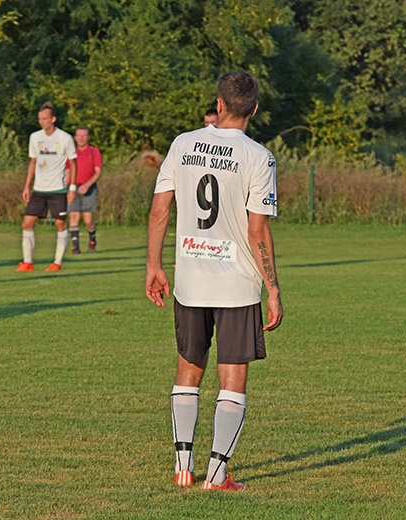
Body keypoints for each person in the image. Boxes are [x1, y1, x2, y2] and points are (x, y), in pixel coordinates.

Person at [146, 72, 283, 491]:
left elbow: (159, 209)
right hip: (237, 283)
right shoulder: (259, 156)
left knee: (188, 369)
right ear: (254, 109)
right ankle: (217, 476)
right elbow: (257, 230)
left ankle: (183, 468)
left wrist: (153, 266)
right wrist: (273, 288)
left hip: (190, 279)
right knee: (232, 378)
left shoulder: (183, 143)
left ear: (219, 105)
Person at [16, 101, 76, 272]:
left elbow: (73, 164)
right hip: (39, 190)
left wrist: (72, 189)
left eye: (44, 119)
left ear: (53, 119)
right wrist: (27, 186)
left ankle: (57, 262)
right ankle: (27, 262)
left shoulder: (65, 138)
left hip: (58, 190)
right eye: (39, 119)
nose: (41, 122)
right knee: (27, 223)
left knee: (60, 225)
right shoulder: (35, 137)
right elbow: (32, 162)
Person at [67, 126, 102, 254]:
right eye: (79, 136)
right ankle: (75, 247)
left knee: (88, 220)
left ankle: (92, 241)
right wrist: (66, 188)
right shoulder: (71, 152)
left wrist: (87, 185)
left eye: (84, 136)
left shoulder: (94, 152)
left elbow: (98, 172)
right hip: (73, 188)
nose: (81, 138)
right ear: (75, 137)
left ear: (88, 137)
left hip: (89, 188)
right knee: (74, 216)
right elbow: (68, 171)